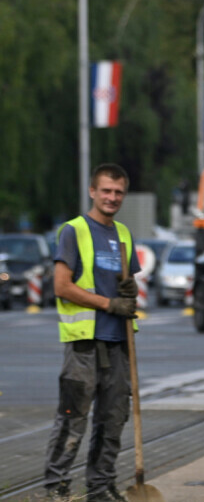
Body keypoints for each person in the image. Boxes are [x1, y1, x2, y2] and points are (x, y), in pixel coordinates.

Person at [44, 164, 140, 502]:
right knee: (73, 419)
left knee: (112, 421)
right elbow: (61, 286)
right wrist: (109, 304)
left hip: (119, 343)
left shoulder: (125, 234)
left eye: (118, 192)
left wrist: (130, 294)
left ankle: (100, 488)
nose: (112, 198)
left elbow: (130, 288)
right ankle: (56, 487)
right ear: (92, 192)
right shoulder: (74, 231)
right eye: (106, 191)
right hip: (84, 343)